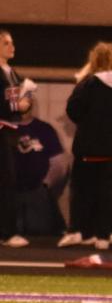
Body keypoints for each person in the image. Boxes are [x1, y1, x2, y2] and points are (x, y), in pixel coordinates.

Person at [61, 42, 112, 249]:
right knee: (108, 192)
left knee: (82, 190)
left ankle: (79, 231)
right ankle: (103, 236)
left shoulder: (88, 85)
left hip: (89, 147)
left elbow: (73, 110)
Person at [12, 96, 69, 242]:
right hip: (9, 191)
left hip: (36, 190)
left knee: (39, 230)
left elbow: (59, 163)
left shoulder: (44, 129)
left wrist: (46, 184)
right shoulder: (4, 128)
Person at [1, 29, 28, 246]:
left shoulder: (12, 72)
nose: (12, 47)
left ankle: (8, 230)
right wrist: (16, 105)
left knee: (9, 180)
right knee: (6, 180)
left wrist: (25, 103)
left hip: (10, 130)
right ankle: (8, 232)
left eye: (11, 43)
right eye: (6, 43)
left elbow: (17, 101)